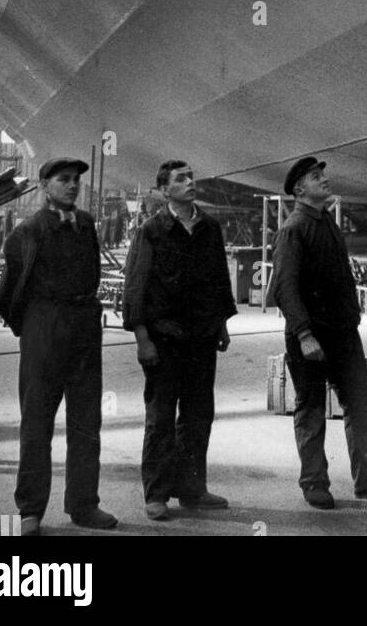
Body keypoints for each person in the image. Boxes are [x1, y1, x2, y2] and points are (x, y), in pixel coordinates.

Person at [270, 157, 367, 510]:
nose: (325, 180)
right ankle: (314, 483)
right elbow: (284, 289)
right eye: (316, 177)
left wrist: (351, 318)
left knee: (362, 403)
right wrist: (304, 334)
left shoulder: (329, 225)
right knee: (312, 408)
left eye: (323, 175)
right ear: (300, 189)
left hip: (342, 333)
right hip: (311, 336)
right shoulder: (294, 229)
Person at [0, 158, 117, 537]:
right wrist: (32, 327)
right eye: (63, 180)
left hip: (83, 329)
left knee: (86, 422)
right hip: (44, 330)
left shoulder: (86, 225)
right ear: (44, 185)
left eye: (76, 180)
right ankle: (30, 510)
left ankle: (84, 504)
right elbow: (7, 294)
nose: (72, 185)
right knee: (37, 423)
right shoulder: (27, 232)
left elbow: (93, 275)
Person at [122, 160, 236, 521]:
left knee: (199, 415)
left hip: (202, 339)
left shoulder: (210, 228)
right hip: (164, 339)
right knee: (160, 417)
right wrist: (143, 339)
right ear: (164, 190)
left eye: (192, 177)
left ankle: (192, 489)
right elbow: (135, 286)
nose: (190, 183)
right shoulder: (151, 230)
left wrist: (221, 324)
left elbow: (219, 278)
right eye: (181, 179)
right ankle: (155, 493)